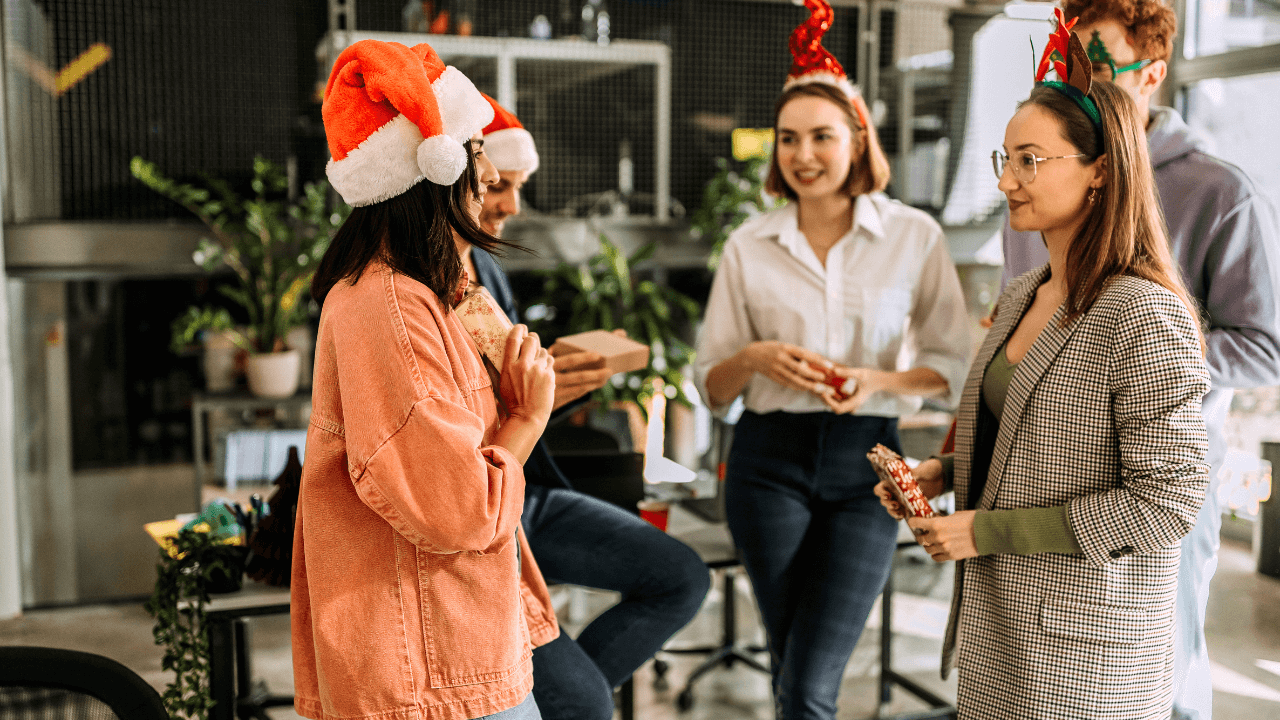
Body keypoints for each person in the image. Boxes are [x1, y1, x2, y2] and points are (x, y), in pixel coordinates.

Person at [878, 16, 1211, 718]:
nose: (1007, 182)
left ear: (1099, 170)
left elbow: (1169, 503)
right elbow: (1022, 440)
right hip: (1002, 633)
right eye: (1005, 159)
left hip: (1086, 658)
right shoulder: (1027, 292)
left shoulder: (1143, 314)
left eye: (1030, 159)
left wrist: (985, 529)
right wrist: (942, 478)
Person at [999, 2, 1280, 717]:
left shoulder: (1219, 193)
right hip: (1041, 474)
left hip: (1158, 480)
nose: (1078, 85)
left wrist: (1134, 353)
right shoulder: (1035, 189)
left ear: (1153, 73)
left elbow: (1263, 348)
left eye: (1097, 66)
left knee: (1163, 671)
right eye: (1070, 66)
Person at [693, 3, 971, 717]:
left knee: (810, 681)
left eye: (821, 136)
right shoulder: (748, 245)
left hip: (868, 466)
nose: (803, 155)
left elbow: (951, 366)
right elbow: (711, 386)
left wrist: (875, 382)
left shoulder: (914, 236)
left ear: (858, 138)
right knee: (793, 669)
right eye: (789, 139)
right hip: (765, 463)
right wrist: (754, 357)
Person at [293, 39, 558, 720]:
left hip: (452, 648)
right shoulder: (388, 309)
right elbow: (462, 508)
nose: (488, 174)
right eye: (478, 156)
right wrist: (528, 420)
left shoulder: (424, 289)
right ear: (440, 169)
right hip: (434, 673)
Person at [462, 93, 710, 720]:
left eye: (514, 185)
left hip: (528, 490)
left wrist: (557, 382)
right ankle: (565, 701)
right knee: (586, 702)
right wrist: (531, 402)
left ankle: (556, 703)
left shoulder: (484, 264)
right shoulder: (411, 289)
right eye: (497, 185)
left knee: (682, 578)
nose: (511, 205)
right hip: (480, 504)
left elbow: (501, 383)